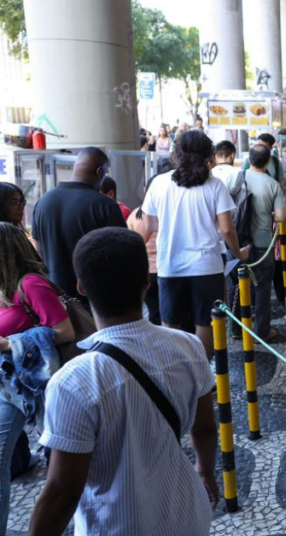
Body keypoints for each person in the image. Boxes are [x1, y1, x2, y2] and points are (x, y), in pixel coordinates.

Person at [28, 228, 219, 535]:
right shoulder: (188, 346)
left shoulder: (73, 382)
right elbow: (206, 428)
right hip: (187, 515)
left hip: (117, 525)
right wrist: (205, 471)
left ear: (81, 287)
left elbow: (63, 493)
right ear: (146, 282)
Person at [141, 130, 250, 359]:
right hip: (207, 266)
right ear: (207, 155)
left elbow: (149, 224)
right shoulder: (214, 185)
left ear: (177, 154)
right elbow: (227, 229)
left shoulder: (159, 183)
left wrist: (173, 224)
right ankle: (202, 372)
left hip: (170, 265)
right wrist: (238, 253)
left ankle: (176, 372)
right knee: (205, 322)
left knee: (171, 323)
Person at [0, 223, 75, 535]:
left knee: (64, 464)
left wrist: (8, 344)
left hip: (41, 386)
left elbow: (65, 332)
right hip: (9, 385)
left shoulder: (31, 284)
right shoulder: (3, 289)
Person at [32, 147, 126, 305]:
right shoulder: (105, 206)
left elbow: (39, 252)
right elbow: (122, 253)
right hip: (97, 300)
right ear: (99, 171)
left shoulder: (43, 202)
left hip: (57, 300)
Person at [232, 144, 286, 342]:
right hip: (263, 243)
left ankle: (236, 329)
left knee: (238, 286)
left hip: (237, 242)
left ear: (249, 159)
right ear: (268, 161)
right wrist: (269, 213)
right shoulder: (272, 184)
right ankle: (261, 331)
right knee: (262, 288)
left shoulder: (237, 178)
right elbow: (280, 217)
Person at [126, 187, 161, 326]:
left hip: (148, 272)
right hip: (170, 271)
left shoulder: (135, 214)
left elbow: (130, 241)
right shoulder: (170, 212)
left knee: (154, 313)